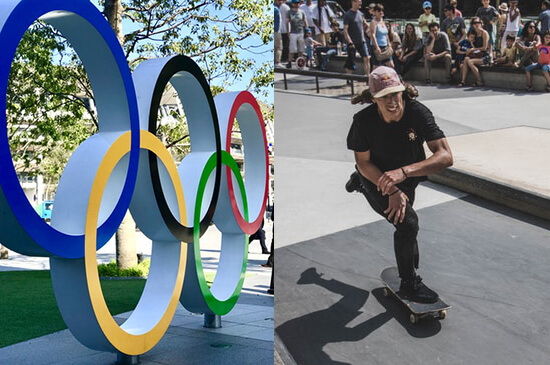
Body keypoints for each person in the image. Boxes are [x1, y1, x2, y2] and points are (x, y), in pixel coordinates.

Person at [345, 66, 453, 304]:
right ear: (374, 98)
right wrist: (392, 189)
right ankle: (409, 283)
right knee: (407, 224)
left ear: (402, 89)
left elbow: (445, 155)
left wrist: (404, 173)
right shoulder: (363, 121)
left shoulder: (418, 113)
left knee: (405, 221)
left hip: (405, 177)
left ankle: (361, 185)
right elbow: (363, 162)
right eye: (384, 97)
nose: (392, 101)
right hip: (376, 176)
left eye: (395, 93)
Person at [459, 17, 490, 87]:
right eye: (475, 23)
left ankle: (479, 81)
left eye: (478, 23)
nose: (477, 25)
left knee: (470, 62)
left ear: (481, 23)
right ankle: (463, 81)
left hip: (485, 56)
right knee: (466, 59)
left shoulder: (484, 33)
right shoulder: (474, 33)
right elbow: (473, 46)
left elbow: (484, 48)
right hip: (477, 54)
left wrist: (472, 50)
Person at [343, 0, 370, 79]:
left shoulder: (360, 14)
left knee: (367, 57)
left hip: (361, 41)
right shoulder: (348, 15)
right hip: (352, 42)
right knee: (351, 61)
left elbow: (365, 25)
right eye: (358, 1)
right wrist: (349, 41)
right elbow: (345, 30)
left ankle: (367, 77)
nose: (360, 3)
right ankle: (349, 77)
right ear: (353, 2)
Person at [369, 3, 393, 68]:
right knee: (376, 66)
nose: (381, 12)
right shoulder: (373, 22)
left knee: (390, 65)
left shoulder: (383, 21)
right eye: (379, 11)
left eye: (382, 10)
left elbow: (386, 34)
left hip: (385, 46)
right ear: (375, 12)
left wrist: (389, 44)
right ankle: (373, 78)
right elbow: (373, 35)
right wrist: (377, 47)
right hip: (377, 46)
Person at [286, 0, 308, 69]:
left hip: (301, 31)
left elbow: (305, 21)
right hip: (293, 32)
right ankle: (289, 62)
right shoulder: (289, 12)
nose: (296, 4)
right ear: (292, 4)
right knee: (292, 48)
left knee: (301, 48)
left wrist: (307, 29)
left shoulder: (302, 12)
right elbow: (287, 22)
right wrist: (288, 32)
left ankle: (300, 62)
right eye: (295, 3)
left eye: (297, 3)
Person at [274, 0, 283, 67]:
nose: (281, 2)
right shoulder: (275, 9)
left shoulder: (276, 8)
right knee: (279, 47)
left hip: (276, 30)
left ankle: (274, 62)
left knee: (275, 47)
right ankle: (277, 62)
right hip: (276, 31)